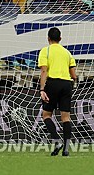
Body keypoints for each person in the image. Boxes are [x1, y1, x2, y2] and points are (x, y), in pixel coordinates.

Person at [38, 27, 77, 156]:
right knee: (66, 117)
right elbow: (74, 74)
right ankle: (66, 149)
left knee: (46, 115)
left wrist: (42, 89)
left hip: (52, 83)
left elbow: (44, 71)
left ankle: (56, 141)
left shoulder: (45, 51)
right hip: (66, 84)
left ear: (48, 38)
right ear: (60, 39)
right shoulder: (67, 53)